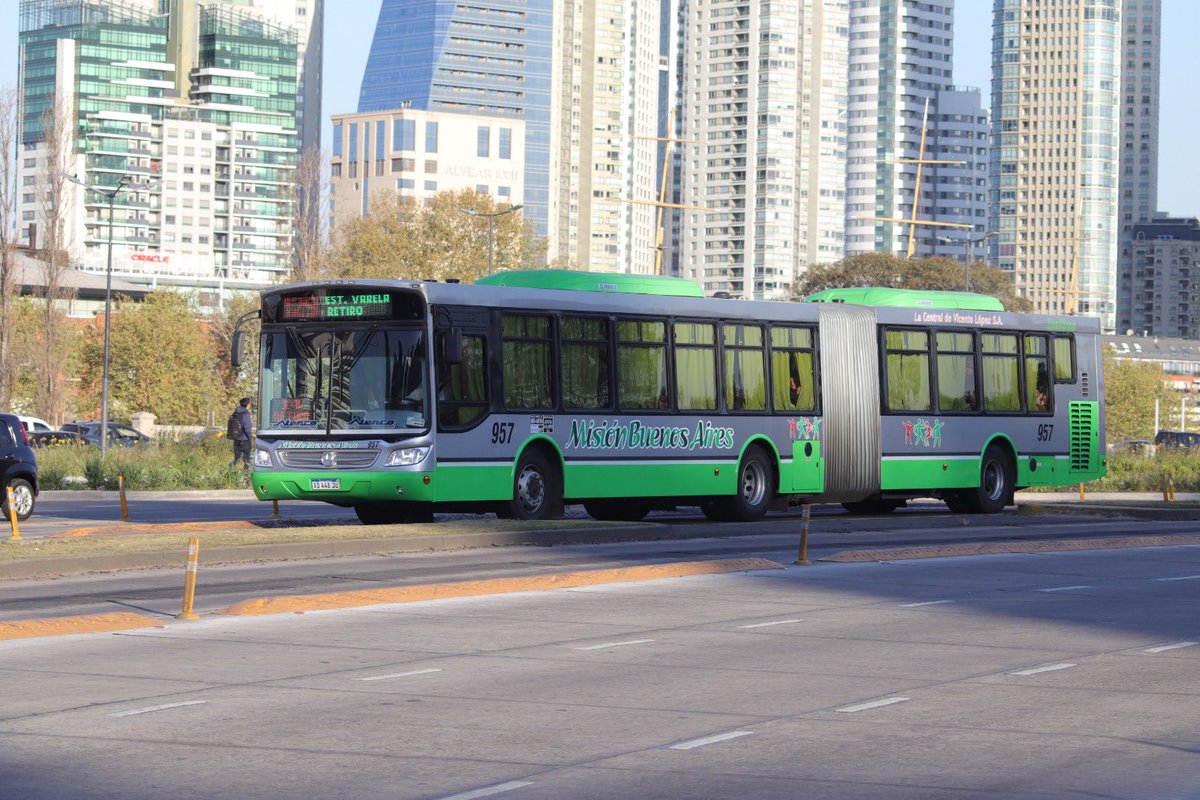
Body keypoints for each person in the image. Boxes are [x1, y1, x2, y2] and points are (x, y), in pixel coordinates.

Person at [229, 397, 254, 469]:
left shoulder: (235, 413)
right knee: (247, 461)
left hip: (236, 439)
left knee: (237, 459)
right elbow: (247, 429)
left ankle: (229, 471)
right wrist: (250, 440)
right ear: (248, 404)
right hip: (245, 440)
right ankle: (246, 475)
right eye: (250, 403)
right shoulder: (246, 414)